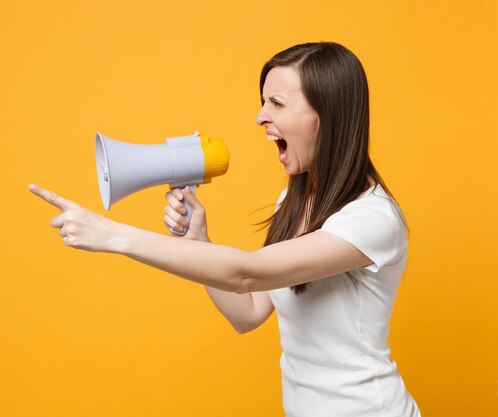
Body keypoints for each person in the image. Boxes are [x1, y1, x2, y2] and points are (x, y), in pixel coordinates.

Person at [29, 42, 421, 417]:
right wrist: (199, 241)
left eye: (277, 103)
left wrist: (114, 236)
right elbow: (247, 313)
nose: (260, 116)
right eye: (263, 101)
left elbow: (245, 271)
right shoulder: (295, 202)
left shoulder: (372, 219)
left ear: (327, 116)